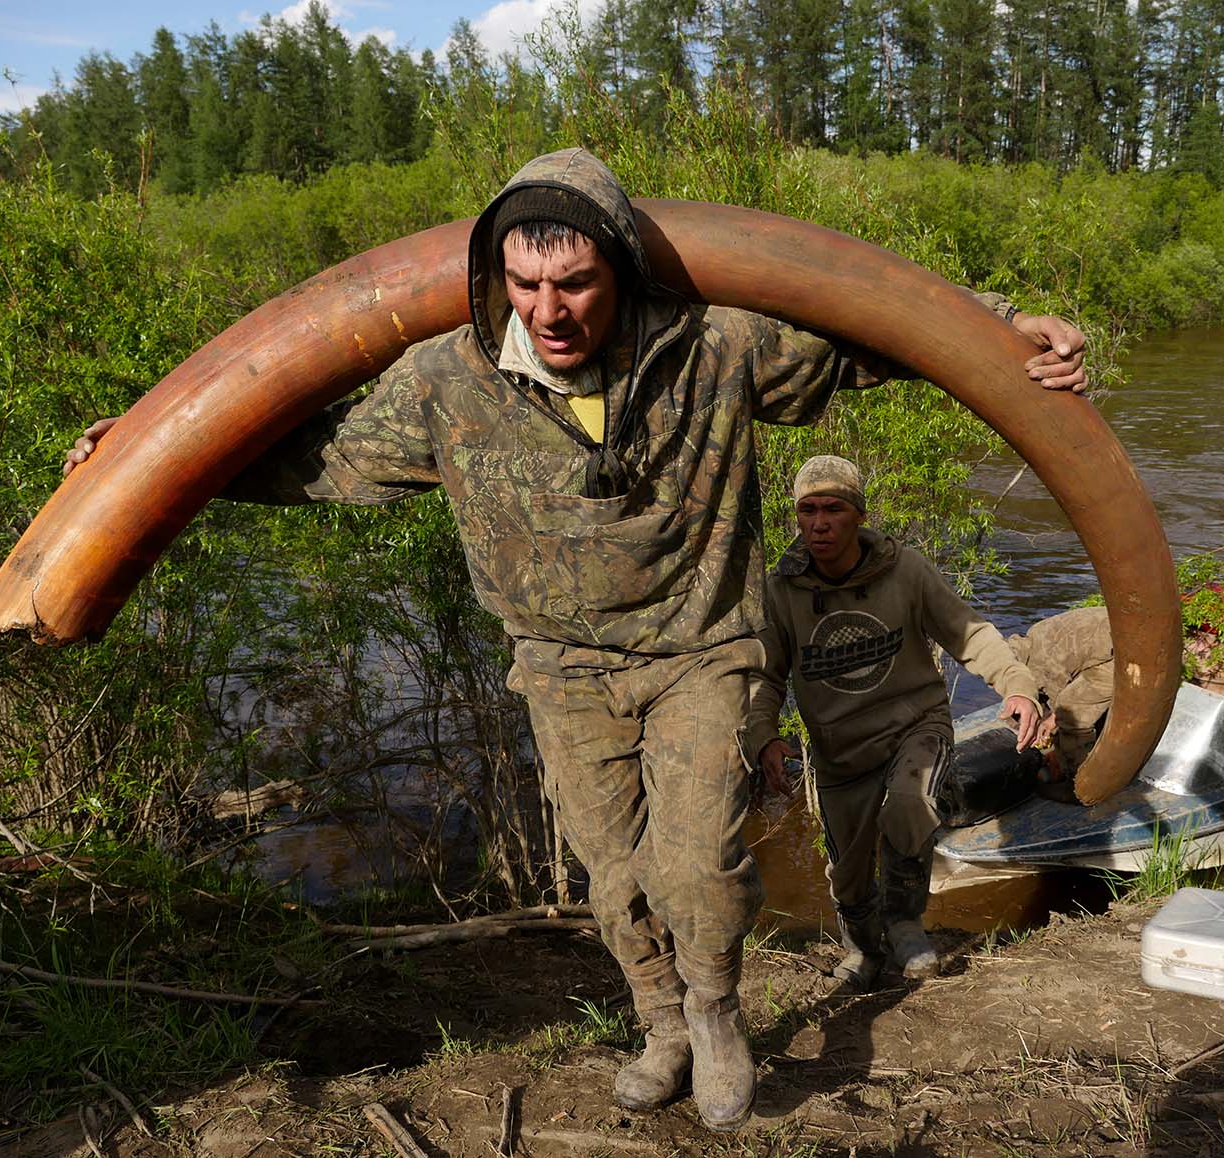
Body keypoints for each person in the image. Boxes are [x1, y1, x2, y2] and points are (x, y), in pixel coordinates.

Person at [64, 149, 1088, 1130]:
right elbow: (310, 458)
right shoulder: (445, 380)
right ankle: (660, 1025)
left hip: (702, 649)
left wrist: (1009, 333)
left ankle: (718, 1013)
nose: (549, 313)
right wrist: (147, 451)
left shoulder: (715, 346)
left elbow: (877, 336)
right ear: (494, 276)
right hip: (559, 666)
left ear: (619, 271)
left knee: (698, 862)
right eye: (523, 285)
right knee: (617, 874)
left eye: (576, 284)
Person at [745, 456, 1044, 988]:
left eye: (833, 509)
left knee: (911, 803)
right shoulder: (781, 591)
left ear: (857, 515)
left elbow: (969, 635)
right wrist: (764, 734)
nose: (819, 523)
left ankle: (906, 924)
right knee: (848, 866)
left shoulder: (906, 570)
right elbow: (767, 677)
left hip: (916, 724)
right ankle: (861, 946)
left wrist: (1016, 686)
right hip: (840, 749)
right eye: (807, 510)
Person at [1005, 605, 1115, 792]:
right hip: (1110, 639)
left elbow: (1061, 711)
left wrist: (1051, 734)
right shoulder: (1033, 638)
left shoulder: (1039, 665)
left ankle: (1080, 782)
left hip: (1127, 654)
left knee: (1071, 713)